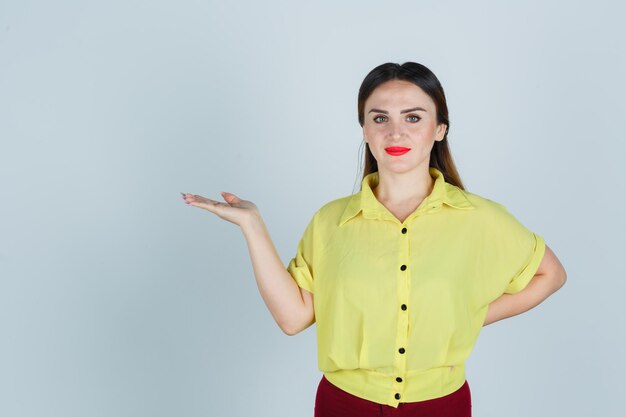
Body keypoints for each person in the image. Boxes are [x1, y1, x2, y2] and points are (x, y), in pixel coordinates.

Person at [180, 62, 567, 417]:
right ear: (364, 129)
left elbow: (550, 274)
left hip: (441, 405)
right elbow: (294, 318)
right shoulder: (331, 221)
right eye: (380, 118)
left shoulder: (480, 218)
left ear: (440, 129)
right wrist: (253, 226)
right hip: (344, 404)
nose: (395, 131)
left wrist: (468, 315)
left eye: (413, 117)